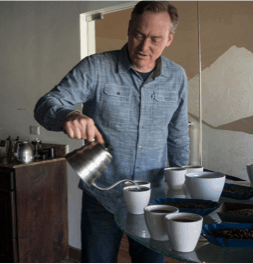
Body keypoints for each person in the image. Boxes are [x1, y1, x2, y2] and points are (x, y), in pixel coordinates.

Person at [34, 0, 189, 263]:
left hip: (154, 199)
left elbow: (177, 136)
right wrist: (67, 115)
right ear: (129, 28)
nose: (143, 46)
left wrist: (182, 191)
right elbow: (46, 104)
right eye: (139, 34)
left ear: (169, 38)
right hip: (103, 195)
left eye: (155, 39)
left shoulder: (177, 77)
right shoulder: (96, 67)